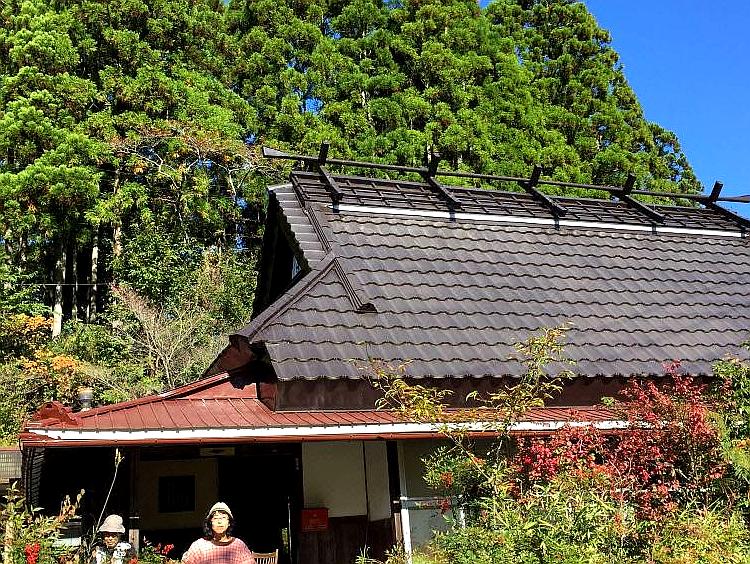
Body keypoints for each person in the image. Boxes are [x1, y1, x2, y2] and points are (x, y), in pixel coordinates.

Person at [182, 502, 254, 564]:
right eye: (216, 518)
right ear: (210, 522)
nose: (219, 522)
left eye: (223, 518)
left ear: (229, 522)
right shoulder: (199, 546)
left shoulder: (239, 545)